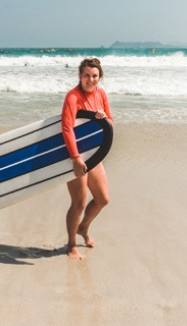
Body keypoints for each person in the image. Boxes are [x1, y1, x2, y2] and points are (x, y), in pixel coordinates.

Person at [61, 57, 113, 260]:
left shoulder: (101, 94)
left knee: (102, 199)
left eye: (94, 76)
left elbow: (110, 121)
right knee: (79, 203)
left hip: (93, 153)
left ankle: (83, 228)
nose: (90, 80)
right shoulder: (73, 97)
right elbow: (66, 128)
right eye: (86, 76)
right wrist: (75, 158)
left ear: (100, 77)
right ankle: (71, 245)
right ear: (80, 76)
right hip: (74, 156)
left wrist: (102, 118)